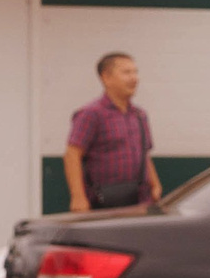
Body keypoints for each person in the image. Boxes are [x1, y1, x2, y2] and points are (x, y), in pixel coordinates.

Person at [64, 52, 158, 211]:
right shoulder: (91, 114)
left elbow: (145, 154)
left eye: (135, 72)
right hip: (103, 202)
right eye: (126, 72)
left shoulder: (139, 115)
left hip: (139, 201)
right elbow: (72, 154)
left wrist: (155, 184)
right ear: (106, 78)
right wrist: (78, 197)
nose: (134, 78)